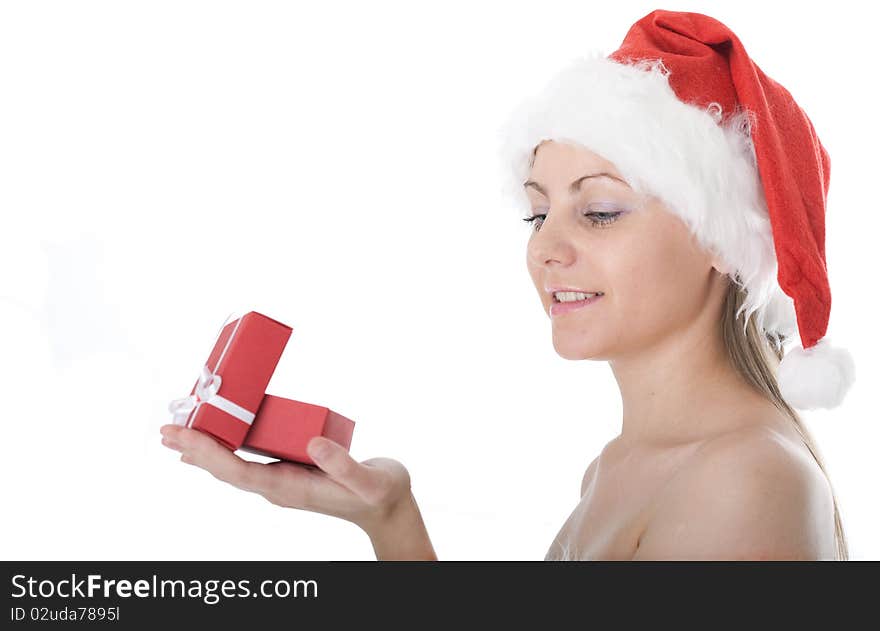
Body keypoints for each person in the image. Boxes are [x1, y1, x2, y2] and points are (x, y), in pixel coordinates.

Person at [160, 9, 856, 560]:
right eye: (537, 211)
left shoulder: (744, 482)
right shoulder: (618, 466)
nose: (546, 249)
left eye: (601, 211)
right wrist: (391, 520)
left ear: (721, 238)